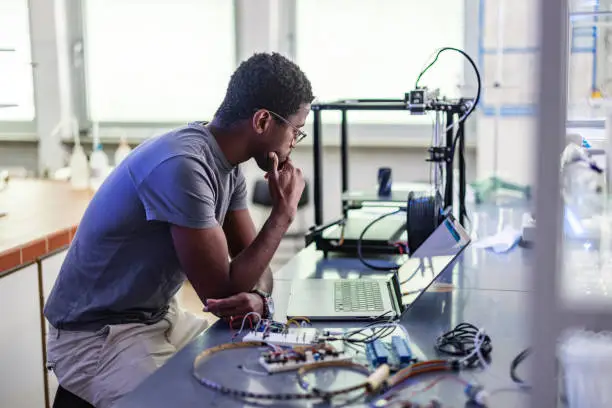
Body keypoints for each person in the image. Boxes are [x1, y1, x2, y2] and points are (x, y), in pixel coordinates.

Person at [43, 52, 314, 408]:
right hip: (96, 335)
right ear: (263, 121)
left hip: (156, 317)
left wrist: (260, 299)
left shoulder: (228, 168)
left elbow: (254, 271)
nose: (294, 142)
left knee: (249, 369)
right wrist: (283, 213)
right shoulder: (184, 165)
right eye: (296, 130)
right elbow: (220, 293)